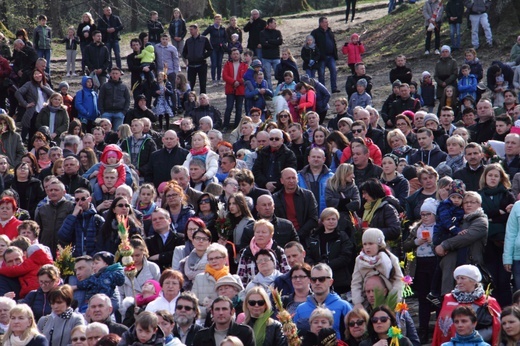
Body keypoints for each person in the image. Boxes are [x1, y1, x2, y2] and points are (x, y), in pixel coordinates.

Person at [432, 264, 501, 346]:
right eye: (457, 278)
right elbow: (440, 327)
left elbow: (498, 327)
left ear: (474, 281)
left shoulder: (488, 301)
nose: (459, 282)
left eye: (463, 278)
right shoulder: (448, 298)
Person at [294, 263, 352, 337]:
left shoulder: (344, 306)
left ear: (330, 282)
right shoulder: (300, 309)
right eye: (313, 280)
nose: (317, 283)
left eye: (322, 279)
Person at [305, 208, 354, 294]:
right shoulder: (314, 237)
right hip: (318, 278)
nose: (331, 222)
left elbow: (346, 256)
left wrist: (328, 265)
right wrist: (316, 267)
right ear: (323, 221)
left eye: (333, 219)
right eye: (328, 219)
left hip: (340, 280)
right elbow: (308, 255)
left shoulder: (342, 236)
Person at [58, 187, 105, 257]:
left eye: (83, 199)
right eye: (77, 200)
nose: (80, 202)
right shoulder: (72, 217)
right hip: (76, 258)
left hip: (93, 259)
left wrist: (95, 255)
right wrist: (74, 215)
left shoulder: (97, 218)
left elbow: (103, 240)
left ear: (89, 199)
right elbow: (63, 236)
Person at [15, 69, 54, 142]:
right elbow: (18, 93)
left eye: (39, 74)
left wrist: (43, 87)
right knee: (32, 135)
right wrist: (25, 104)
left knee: (43, 134)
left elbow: (53, 95)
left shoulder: (46, 85)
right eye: (35, 74)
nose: (37, 76)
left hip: (44, 112)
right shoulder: (29, 84)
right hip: (33, 113)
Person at [311, 17, 340, 93]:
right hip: (321, 57)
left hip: (331, 56)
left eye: (327, 22)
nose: (326, 24)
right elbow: (312, 45)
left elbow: (333, 43)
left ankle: (334, 88)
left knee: (333, 71)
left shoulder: (329, 31)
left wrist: (335, 54)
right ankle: (322, 89)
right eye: (324, 22)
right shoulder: (315, 33)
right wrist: (316, 55)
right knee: (321, 74)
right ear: (320, 23)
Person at [222, 48, 248, 130]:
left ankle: (237, 126)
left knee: (239, 108)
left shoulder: (244, 65)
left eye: (237, 53)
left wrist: (239, 82)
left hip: (240, 89)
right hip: (230, 89)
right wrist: (233, 82)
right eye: (234, 54)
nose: (235, 55)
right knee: (229, 107)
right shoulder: (227, 64)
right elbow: (225, 76)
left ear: (240, 55)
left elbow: (246, 77)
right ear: (231, 55)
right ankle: (225, 125)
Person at [182, 24, 212, 94]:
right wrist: (187, 56)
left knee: (203, 84)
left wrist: (203, 56)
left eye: (191, 30)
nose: (190, 31)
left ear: (196, 29)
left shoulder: (204, 39)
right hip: (191, 65)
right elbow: (184, 52)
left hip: (201, 65)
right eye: (190, 30)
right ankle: (190, 101)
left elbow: (210, 50)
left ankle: (203, 100)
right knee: (190, 85)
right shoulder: (188, 41)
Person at [97, 6, 123, 71]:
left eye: (109, 10)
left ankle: (119, 69)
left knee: (117, 54)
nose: (109, 11)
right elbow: (98, 29)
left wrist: (114, 29)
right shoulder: (101, 20)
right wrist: (106, 30)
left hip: (115, 39)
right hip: (106, 39)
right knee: (108, 55)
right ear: (104, 12)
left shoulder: (116, 18)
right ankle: (109, 69)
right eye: (107, 10)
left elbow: (121, 26)